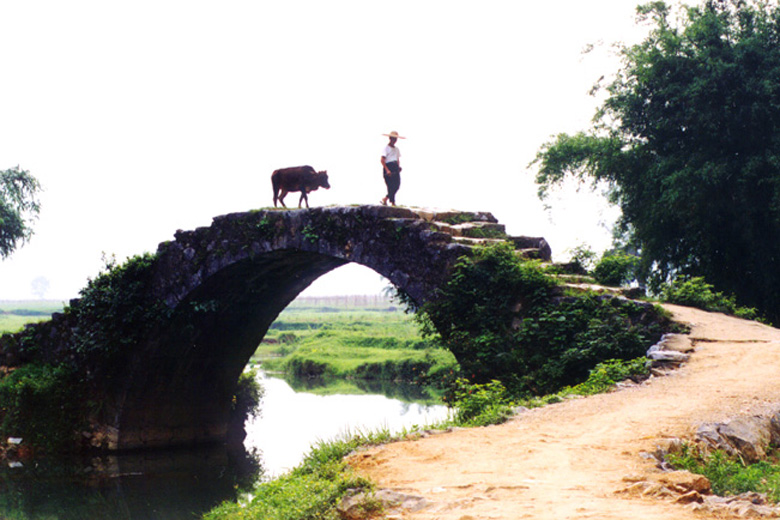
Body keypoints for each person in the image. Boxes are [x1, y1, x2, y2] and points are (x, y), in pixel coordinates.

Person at [380, 130, 405, 206]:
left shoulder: (397, 149)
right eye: (393, 138)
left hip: (395, 167)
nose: (394, 140)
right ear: (390, 138)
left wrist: (398, 167)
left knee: (397, 185)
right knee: (390, 185)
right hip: (388, 166)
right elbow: (382, 160)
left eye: (395, 139)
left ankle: (386, 198)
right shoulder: (386, 148)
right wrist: (387, 170)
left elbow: (397, 159)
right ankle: (392, 202)